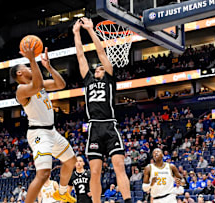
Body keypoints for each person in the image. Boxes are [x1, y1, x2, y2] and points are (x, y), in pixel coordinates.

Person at [73, 17, 131, 203]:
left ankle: (128, 200)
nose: (98, 68)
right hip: (94, 128)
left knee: (118, 165)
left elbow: (101, 52)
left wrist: (90, 30)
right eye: (97, 68)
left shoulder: (109, 79)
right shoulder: (88, 80)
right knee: (95, 171)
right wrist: (76, 34)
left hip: (109, 126)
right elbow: (81, 55)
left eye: (100, 68)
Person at [10, 41, 77, 203]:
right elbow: (38, 84)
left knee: (71, 161)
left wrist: (49, 67)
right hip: (39, 133)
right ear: (20, 73)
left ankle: (61, 192)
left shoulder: (39, 86)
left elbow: (61, 84)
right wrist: (32, 60)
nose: (29, 68)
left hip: (52, 132)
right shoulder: (21, 91)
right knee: (43, 174)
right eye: (26, 66)